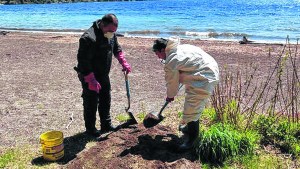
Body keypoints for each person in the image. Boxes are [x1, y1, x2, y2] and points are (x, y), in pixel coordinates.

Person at [152, 37, 219, 151]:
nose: (158, 57)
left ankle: (191, 141)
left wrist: (170, 95)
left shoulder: (172, 60)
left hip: (204, 77)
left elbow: (172, 81)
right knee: (191, 104)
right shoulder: (179, 48)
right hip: (205, 71)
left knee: (192, 109)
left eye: (158, 54)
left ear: (163, 50)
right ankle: (188, 128)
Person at [75, 14, 131, 137]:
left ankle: (106, 125)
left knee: (106, 98)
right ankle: (90, 129)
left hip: (103, 73)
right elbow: (83, 61)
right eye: (111, 30)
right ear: (102, 25)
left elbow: (116, 48)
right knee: (91, 101)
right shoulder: (88, 38)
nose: (112, 33)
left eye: (114, 31)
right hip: (88, 74)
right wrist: (90, 79)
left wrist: (123, 61)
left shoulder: (110, 33)